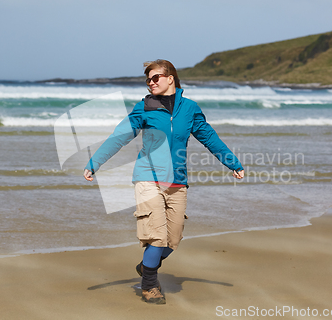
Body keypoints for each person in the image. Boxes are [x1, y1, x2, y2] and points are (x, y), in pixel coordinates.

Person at [83, 59, 244, 304]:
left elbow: (209, 137)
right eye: (148, 79)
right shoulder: (144, 108)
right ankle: (149, 285)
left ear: (171, 78)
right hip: (147, 177)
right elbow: (120, 136)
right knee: (156, 237)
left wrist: (232, 162)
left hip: (177, 181)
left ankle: (146, 266)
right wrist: (95, 162)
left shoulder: (189, 109)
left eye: (155, 77)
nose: (151, 82)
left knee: (172, 240)